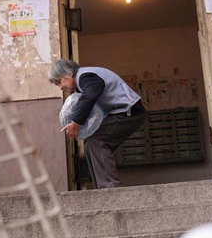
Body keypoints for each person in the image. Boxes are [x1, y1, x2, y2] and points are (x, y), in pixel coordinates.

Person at [49, 59, 146, 189]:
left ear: (67, 74)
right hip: (123, 113)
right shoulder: (82, 82)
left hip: (130, 112)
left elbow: (90, 96)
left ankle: (110, 188)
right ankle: (102, 187)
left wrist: (76, 122)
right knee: (90, 145)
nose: (61, 87)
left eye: (59, 82)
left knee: (97, 140)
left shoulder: (86, 77)